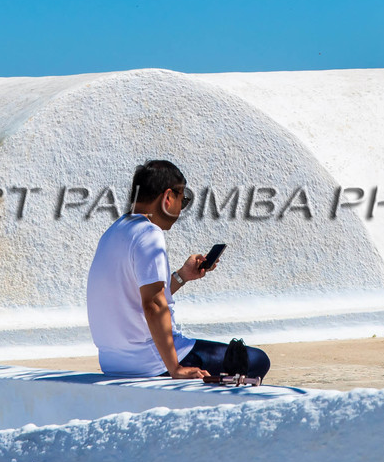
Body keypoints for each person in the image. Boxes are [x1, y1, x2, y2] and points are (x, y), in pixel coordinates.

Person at [86, 159, 271, 380]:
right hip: (150, 362)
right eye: (182, 200)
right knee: (258, 360)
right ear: (167, 197)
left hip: (113, 362)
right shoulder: (149, 234)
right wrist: (175, 369)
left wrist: (182, 276)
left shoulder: (114, 232)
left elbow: (133, 298)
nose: (181, 208)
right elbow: (153, 304)